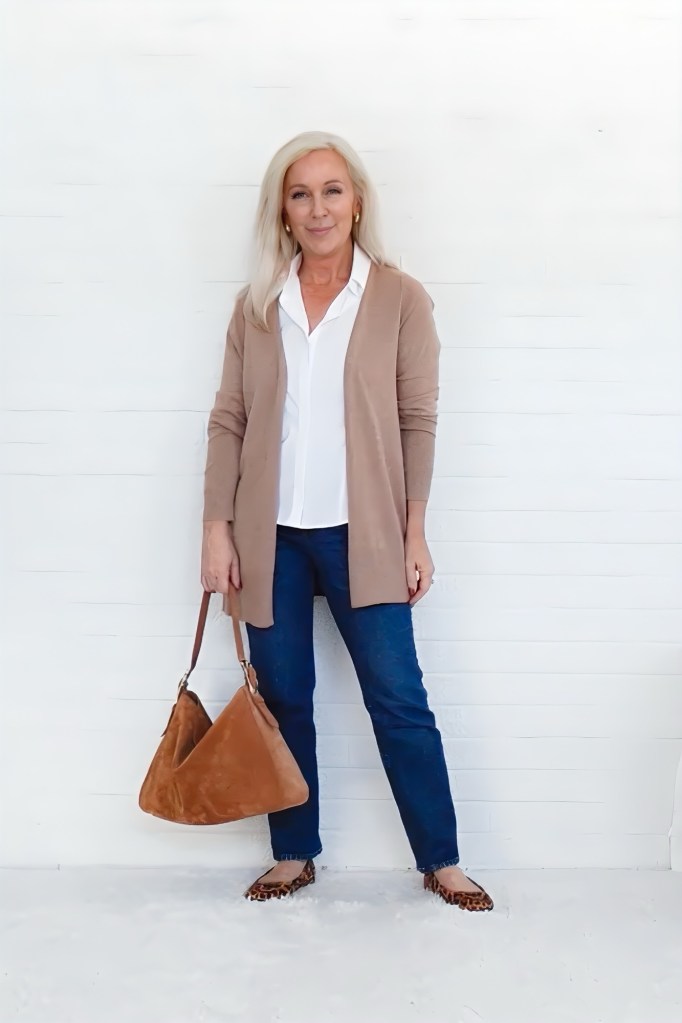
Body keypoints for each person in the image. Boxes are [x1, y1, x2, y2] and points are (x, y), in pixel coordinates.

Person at [200, 131, 494, 911]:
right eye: (300, 194)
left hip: (363, 533)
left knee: (398, 700)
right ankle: (294, 852)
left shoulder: (399, 298)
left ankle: (442, 859)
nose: (318, 207)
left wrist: (415, 531)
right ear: (283, 212)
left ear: (357, 201)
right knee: (284, 699)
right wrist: (216, 526)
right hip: (270, 536)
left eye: (332, 190)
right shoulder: (258, 305)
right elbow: (229, 418)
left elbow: (417, 419)